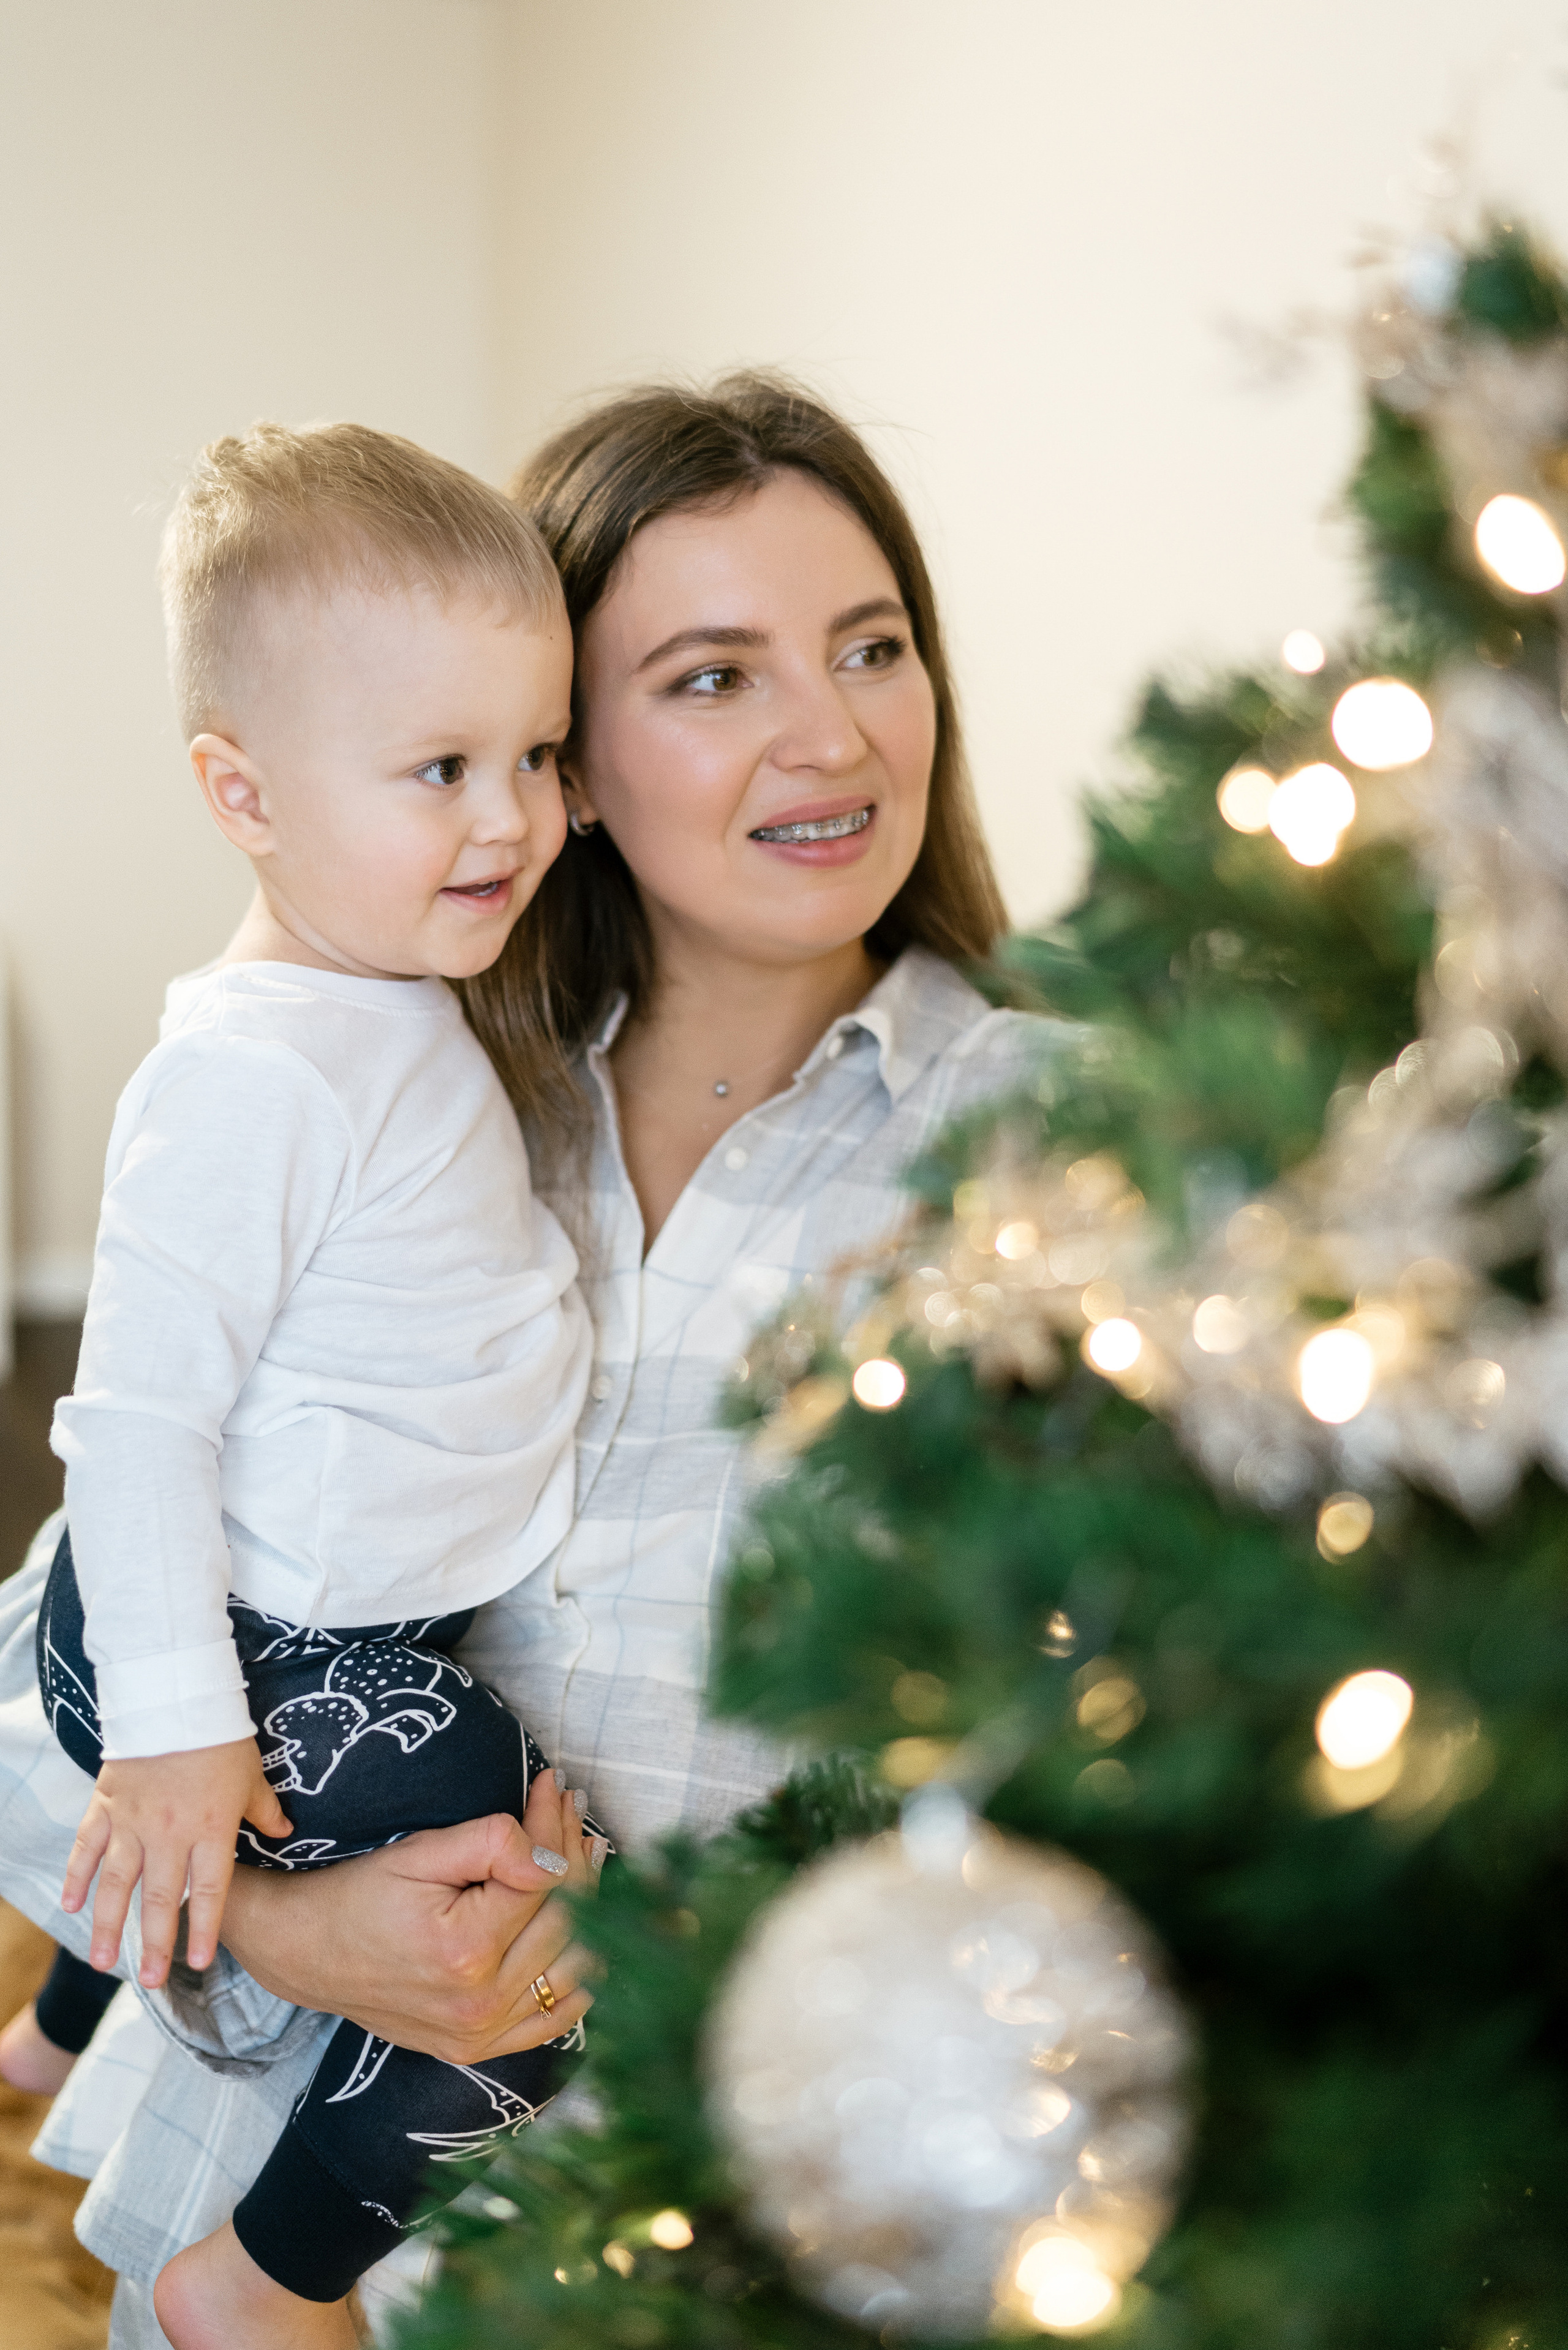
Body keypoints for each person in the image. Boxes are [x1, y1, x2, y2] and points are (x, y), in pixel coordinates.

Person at [0, 372, 1061, 2350]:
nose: (832, 733)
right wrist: (292, 1929)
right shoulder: (429, 1081)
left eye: (873, 646)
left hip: (790, 2225)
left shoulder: (1074, 1154)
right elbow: (43, 1666)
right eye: (714, 677)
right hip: (316, 2177)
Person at [13, 421, 611, 2349]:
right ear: (241, 792)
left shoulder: (392, 1003)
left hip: (313, 1604)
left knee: (348, 1795)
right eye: (437, 769)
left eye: (534, 753)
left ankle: (57, 2021)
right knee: (531, 1887)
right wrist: (180, 1728)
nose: (510, 816)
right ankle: (261, 2281)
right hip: (214, 1635)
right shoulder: (250, 1073)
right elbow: (137, 1424)